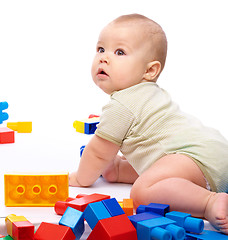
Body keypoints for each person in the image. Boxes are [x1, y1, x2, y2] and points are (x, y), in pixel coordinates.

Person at [69, 13, 228, 234]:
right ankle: (119, 169)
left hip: (194, 159)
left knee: (143, 191)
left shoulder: (122, 105)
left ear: (150, 70)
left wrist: (81, 178)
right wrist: (113, 168)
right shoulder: (149, 93)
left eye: (120, 52)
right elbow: (153, 153)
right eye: (100, 49)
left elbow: (97, 152)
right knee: (153, 168)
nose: (104, 58)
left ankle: (209, 202)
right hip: (215, 150)